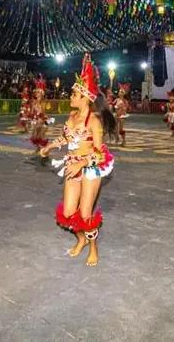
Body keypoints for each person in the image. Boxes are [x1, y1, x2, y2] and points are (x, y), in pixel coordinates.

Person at [39, 54, 117, 266]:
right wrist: (50, 146)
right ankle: (81, 239)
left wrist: (82, 163)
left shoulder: (94, 121)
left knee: (85, 213)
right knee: (67, 212)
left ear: (85, 97)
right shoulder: (71, 117)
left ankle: (93, 247)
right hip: (72, 166)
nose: (70, 96)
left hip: (90, 168)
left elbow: (100, 153)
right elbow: (67, 138)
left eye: (74, 94)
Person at [30, 77, 49, 151]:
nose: (37, 93)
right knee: (35, 136)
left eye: (38, 92)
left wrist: (40, 115)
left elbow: (43, 112)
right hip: (37, 119)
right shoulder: (34, 102)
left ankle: (44, 148)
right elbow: (32, 112)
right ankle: (38, 147)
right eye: (36, 92)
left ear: (41, 94)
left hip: (43, 120)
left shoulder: (43, 102)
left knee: (40, 135)